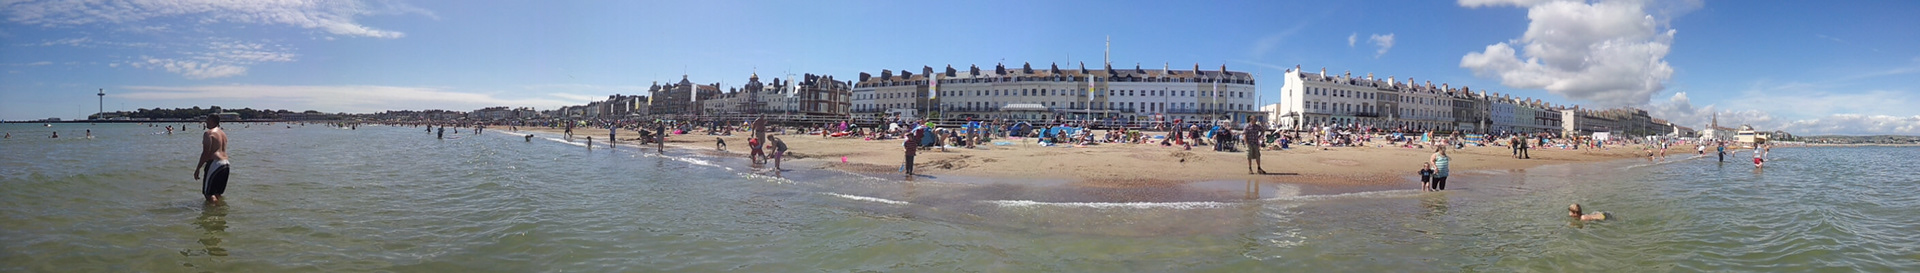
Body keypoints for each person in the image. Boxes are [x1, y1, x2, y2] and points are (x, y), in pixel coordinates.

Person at [193, 115, 231, 203]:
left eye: (208, 120)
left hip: (215, 163)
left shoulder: (209, 133)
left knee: (208, 194)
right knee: (217, 193)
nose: (206, 122)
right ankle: (220, 212)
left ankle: (213, 214)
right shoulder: (223, 134)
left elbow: (206, 153)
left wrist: (198, 169)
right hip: (226, 163)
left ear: (213, 121)